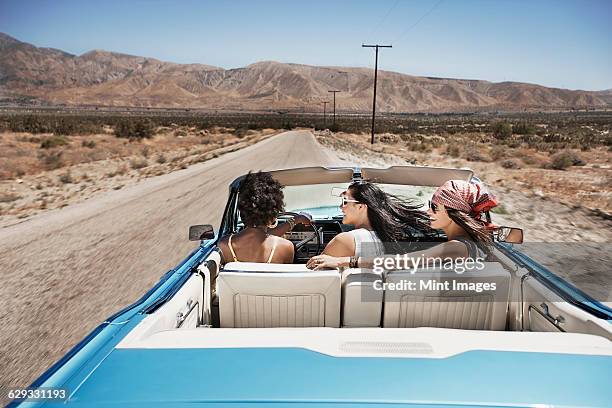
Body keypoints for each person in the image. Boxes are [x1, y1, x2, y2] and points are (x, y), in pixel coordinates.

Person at [307, 179, 497, 270]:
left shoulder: (458, 248)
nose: (428, 211)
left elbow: (399, 262)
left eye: (434, 207)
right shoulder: (466, 246)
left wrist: (344, 260)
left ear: (453, 212)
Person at [306, 181, 430, 269]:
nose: (340, 207)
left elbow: (316, 276)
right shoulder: (389, 237)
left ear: (361, 206)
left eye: (345, 201)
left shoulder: (346, 240)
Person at [218, 171, 310, 264]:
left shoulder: (224, 244)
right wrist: (296, 220)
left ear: (242, 210)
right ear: (273, 216)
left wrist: (295, 220)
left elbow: (258, 235)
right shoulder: (286, 247)